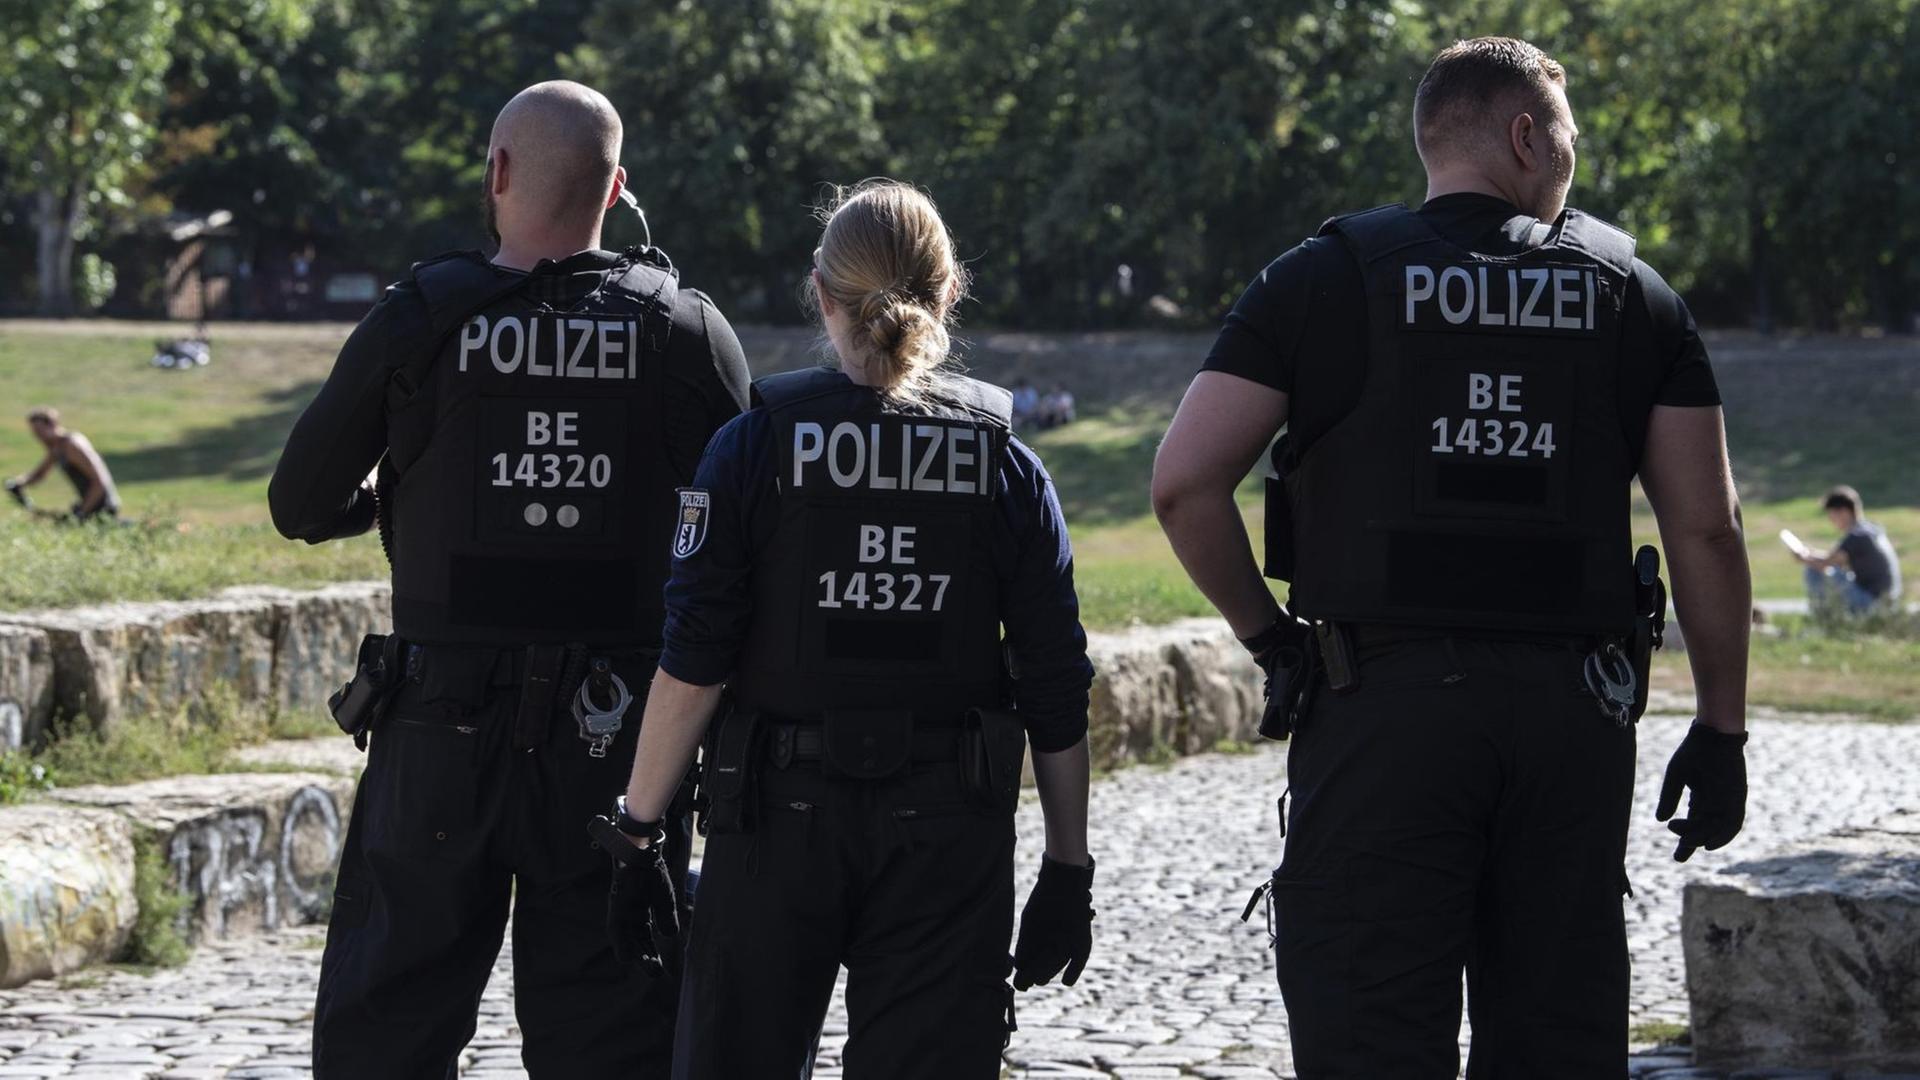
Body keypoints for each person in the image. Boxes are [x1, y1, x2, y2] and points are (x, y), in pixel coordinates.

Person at [1151, 37, 1752, 1078]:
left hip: (1380, 711)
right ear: (1525, 134)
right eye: (1567, 133)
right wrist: (1722, 726)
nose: (1572, 156)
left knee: (1371, 1035)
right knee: (1556, 1038)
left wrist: (1271, 642)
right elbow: (1705, 527)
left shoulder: (1323, 280)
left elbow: (1183, 484)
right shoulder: (1631, 293)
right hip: (1572, 720)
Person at [267, 80, 750, 1079]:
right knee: (613, 1038)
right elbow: (750, 544)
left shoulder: (420, 319)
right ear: (616, 191)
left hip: (439, 730)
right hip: (619, 745)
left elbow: (299, 504)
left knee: (387, 1034)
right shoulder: (684, 332)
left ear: (496, 173)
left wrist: (384, 498)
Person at [603, 180, 1097, 1079]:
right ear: (950, 294)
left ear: (820, 295)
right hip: (948, 833)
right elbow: (1055, 685)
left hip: (773, 824)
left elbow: (694, 664)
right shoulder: (1006, 466)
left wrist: (638, 832)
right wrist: (1068, 865)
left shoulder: (753, 447)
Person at [1798, 485, 1902, 614]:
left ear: (1844, 512)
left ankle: (1823, 618)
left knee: (1813, 570)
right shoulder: (1870, 529)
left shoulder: (1856, 537)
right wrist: (1810, 554)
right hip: (1888, 601)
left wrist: (1804, 557)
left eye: (1832, 516)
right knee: (1833, 572)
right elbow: (1833, 558)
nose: (1831, 521)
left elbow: (1826, 562)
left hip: (1872, 602)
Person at [7, 407, 120, 521]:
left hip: (102, 506)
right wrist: (18, 483)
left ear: (53, 425)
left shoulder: (72, 445)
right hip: (89, 504)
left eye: (40, 432)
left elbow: (99, 481)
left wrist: (82, 512)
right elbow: (39, 474)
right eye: (35, 433)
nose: (38, 437)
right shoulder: (57, 447)